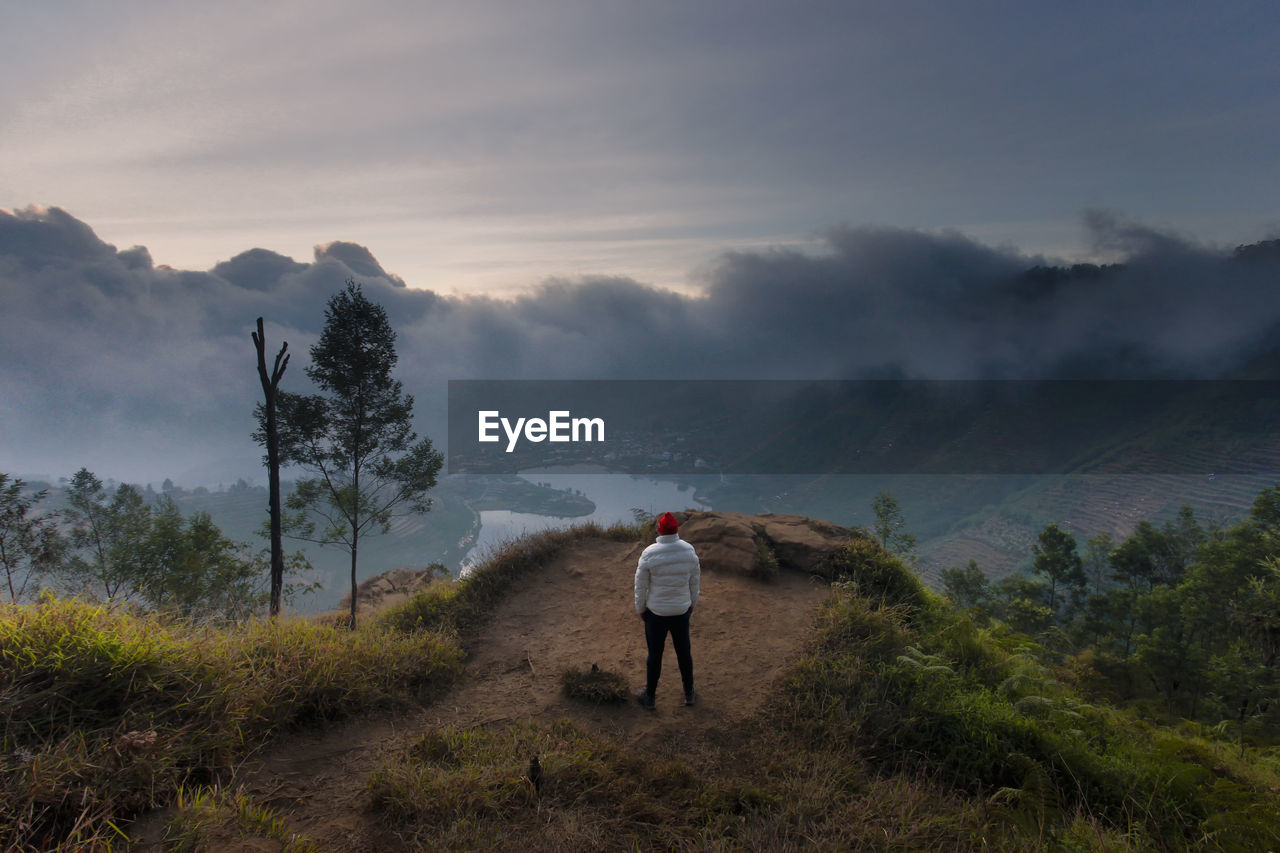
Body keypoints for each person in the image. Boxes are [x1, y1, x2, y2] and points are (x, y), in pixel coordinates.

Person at [634, 511, 700, 710]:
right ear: (676, 530)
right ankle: (689, 693)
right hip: (681, 612)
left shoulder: (649, 553)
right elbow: (694, 583)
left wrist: (641, 609)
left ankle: (650, 697)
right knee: (684, 653)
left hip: (656, 614)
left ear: (660, 530)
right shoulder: (689, 551)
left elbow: (640, 586)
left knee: (655, 655)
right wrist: (691, 605)